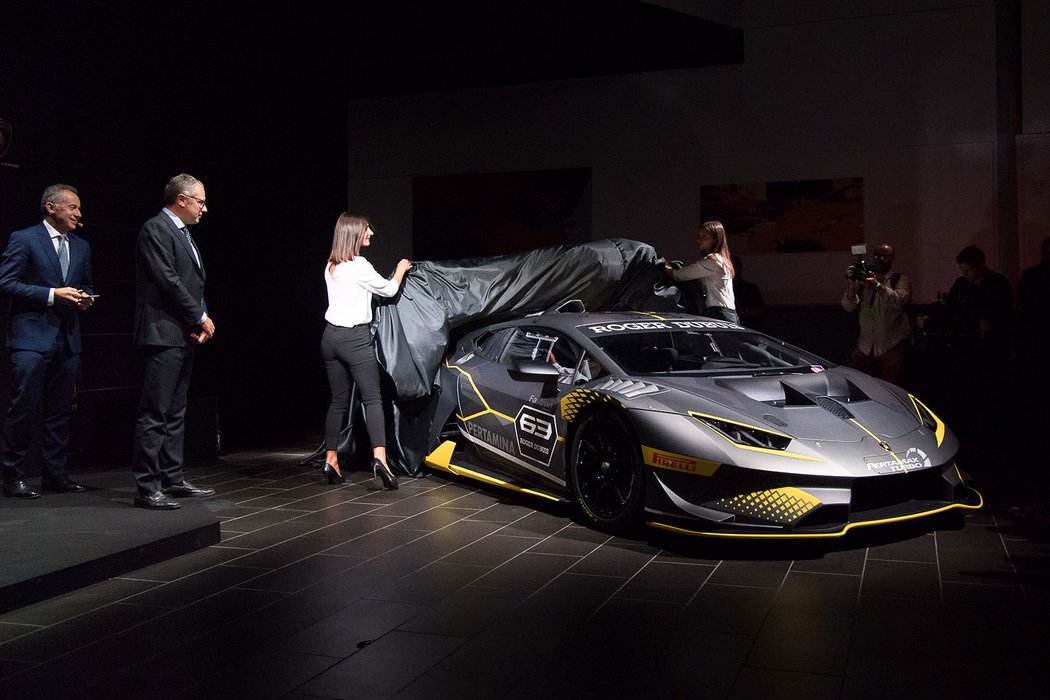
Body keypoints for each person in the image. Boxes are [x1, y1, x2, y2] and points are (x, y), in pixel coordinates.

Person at [0, 184, 95, 498]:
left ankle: (56, 475)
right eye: (72, 207)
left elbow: (84, 284)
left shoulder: (81, 246)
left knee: (61, 411)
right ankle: (13, 477)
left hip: (67, 340)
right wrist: (53, 295)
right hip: (30, 338)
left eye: (79, 209)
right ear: (51, 208)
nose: (78, 214)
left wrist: (84, 298)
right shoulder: (24, 239)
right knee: (23, 408)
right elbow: (7, 283)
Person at [131, 174, 217, 510]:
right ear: (181, 199)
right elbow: (167, 280)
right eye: (200, 202)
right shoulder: (156, 229)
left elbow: (193, 283)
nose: (204, 209)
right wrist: (200, 317)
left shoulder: (184, 234)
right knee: (155, 410)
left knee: (176, 410)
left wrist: (200, 318)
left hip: (182, 332)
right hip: (162, 332)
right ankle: (148, 486)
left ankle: (172, 477)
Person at [320, 213, 412, 490]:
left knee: (337, 401)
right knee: (373, 399)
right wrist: (401, 268)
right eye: (366, 229)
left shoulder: (331, 265)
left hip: (329, 338)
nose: (371, 232)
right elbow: (388, 290)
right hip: (355, 339)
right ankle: (380, 458)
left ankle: (330, 459)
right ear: (352, 233)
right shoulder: (358, 265)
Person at [840, 243, 911, 385]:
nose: (879, 260)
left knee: (891, 387)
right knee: (861, 385)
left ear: (892, 258)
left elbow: (899, 301)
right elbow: (848, 306)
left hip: (891, 344)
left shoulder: (899, 279)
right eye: (876, 256)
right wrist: (851, 282)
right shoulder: (863, 281)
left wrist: (877, 285)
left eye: (884, 256)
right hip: (865, 345)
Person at [665, 220, 738, 323]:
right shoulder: (722, 259)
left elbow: (679, 275)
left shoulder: (713, 261)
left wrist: (662, 265)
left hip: (719, 313)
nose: (699, 239)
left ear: (716, 239)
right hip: (727, 313)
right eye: (698, 236)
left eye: (705, 236)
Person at [730, 254, 766, 329]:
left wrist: (742, 309)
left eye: (735, 265)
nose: (733, 268)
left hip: (748, 328)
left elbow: (760, 311)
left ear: (740, 267)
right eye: (730, 265)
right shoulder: (721, 289)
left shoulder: (750, 288)